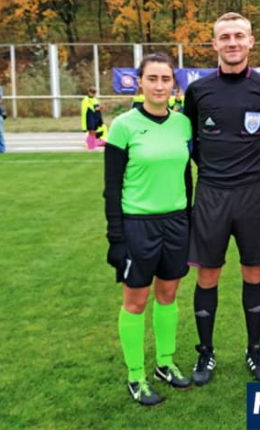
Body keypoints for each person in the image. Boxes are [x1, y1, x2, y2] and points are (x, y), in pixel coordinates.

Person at [184, 12, 260, 385]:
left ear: (251, 41)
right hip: (211, 194)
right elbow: (191, 144)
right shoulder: (198, 91)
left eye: (239, 36)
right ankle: (205, 353)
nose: (232, 42)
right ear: (214, 43)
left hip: (254, 195)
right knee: (207, 274)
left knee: (253, 272)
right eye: (225, 36)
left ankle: (254, 350)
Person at [103, 53, 193, 406]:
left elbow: (186, 177)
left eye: (165, 79)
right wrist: (116, 238)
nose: (159, 85)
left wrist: (188, 217)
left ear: (174, 84)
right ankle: (136, 375)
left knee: (168, 295)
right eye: (152, 78)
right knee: (136, 301)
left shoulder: (182, 124)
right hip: (137, 224)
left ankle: (165, 363)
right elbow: (112, 187)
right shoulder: (123, 126)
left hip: (176, 222)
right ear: (139, 82)